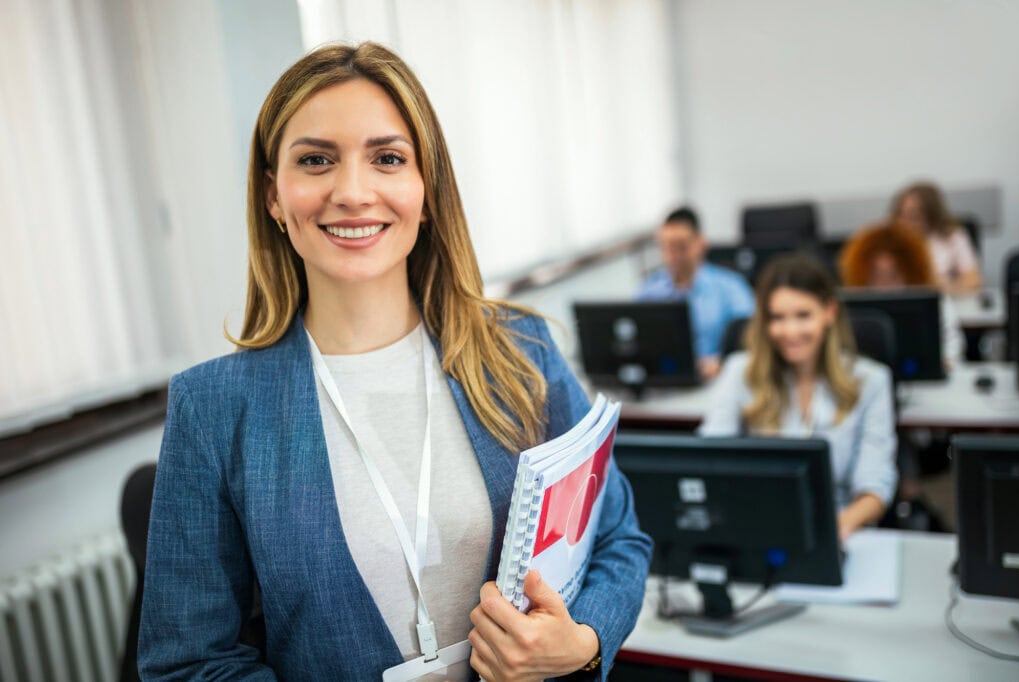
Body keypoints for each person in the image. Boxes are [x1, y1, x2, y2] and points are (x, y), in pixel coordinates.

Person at [138, 42, 652, 681]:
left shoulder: (524, 354)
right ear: (274, 194)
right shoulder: (214, 409)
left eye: (387, 158)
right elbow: (190, 662)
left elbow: (618, 538)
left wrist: (584, 643)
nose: (353, 193)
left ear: (426, 189)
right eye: (317, 160)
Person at [699, 254, 897, 542]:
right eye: (778, 318)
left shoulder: (871, 381)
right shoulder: (739, 371)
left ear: (829, 312)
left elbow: (875, 487)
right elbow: (708, 458)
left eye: (803, 315)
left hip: (839, 527)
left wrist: (835, 530)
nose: (790, 331)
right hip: (756, 526)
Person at [637, 206, 755, 380]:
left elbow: (753, 338)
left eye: (680, 247)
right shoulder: (650, 290)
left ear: (701, 243)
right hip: (665, 380)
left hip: (717, 379)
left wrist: (722, 362)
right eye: (665, 247)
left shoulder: (731, 287)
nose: (672, 255)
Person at [839, 220, 964, 367]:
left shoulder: (935, 302)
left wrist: (945, 362)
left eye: (893, 276)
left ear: (911, 272)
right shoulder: (848, 308)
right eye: (876, 276)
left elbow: (953, 343)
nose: (884, 285)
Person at [890, 181, 982, 294]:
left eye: (914, 216)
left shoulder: (952, 236)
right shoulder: (889, 241)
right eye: (901, 215)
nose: (906, 223)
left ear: (931, 216)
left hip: (943, 301)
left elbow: (974, 281)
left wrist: (940, 285)